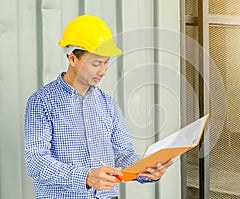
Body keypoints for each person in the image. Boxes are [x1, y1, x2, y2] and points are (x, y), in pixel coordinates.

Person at [24, 14, 173, 199]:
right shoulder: (42, 102)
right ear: (72, 59)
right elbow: (35, 161)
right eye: (96, 63)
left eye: (106, 62)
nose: (103, 71)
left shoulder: (108, 104)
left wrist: (145, 168)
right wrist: (85, 177)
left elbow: (120, 155)